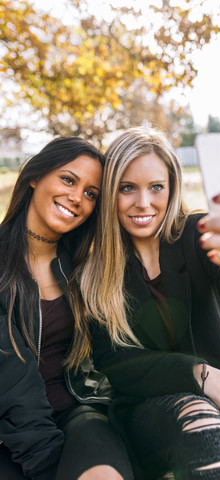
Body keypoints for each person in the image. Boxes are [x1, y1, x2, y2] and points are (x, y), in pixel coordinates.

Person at [79, 126, 220, 480]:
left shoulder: (199, 235)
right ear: (110, 192)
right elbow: (116, 361)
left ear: (171, 188)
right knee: (201, 422)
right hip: (151, 418)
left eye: (156, 186)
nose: (144, 203)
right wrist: (200, 375)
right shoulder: (96, 268)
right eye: (128, 188)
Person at [0, 137, 134, 480]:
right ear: (35, 176)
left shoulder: (81, 268)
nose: (77, 198)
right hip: (12, 433)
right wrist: (48, 464)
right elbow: (11, 377)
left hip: (79, 414)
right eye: (68, 180)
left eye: (91, 194)